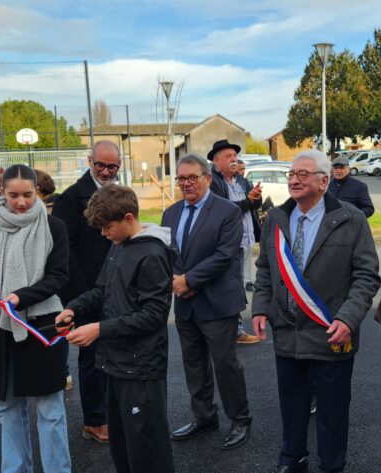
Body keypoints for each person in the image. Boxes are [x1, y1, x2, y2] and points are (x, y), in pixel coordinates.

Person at [251, 149, 381, 473]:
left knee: (332, 412)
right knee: (292, 406)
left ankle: (331, 466)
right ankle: (292, 457)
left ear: (323, 181)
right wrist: (260, 307)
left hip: (331, 334)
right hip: (287, 333)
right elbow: (265, 268)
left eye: (302, 174)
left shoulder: (351, 219)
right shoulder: (276, 218)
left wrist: (348, 318)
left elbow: (367, 276)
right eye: (291, 174)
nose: (294, 180)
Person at [55, 185, 176, 473]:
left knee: (147, 451)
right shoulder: (119, 245)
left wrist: (99, 329)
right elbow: (102, 290)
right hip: (115, 364)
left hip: (142, 368)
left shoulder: (152, 254)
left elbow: (153, 316)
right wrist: (74, 308)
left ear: (129, 218)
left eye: (107, 227)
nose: (103, 233)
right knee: (122, 448)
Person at [0, 164, 71, 473]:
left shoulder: (54, 227)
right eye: (13, 195)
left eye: (28, 194)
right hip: (1, 327)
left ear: (37, 191)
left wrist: (20, 297)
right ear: (1, 191)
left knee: (50, 408)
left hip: (42, 325)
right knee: (7, 407)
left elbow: (58, 276)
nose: (21, 202)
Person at [164, 153, 253, 451]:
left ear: (206, 178)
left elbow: (224, 256)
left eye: (192, 177)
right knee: (194, 365)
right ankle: (203, 417)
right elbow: (169, 253)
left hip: (217, 303)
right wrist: (177, 279)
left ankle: (240, 419)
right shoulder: (171, 213)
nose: (186, 183)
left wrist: (189, 281)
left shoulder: (228, 211)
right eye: (181, 178)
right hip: (186, 304)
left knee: (225, 365)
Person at [52, 140, 123, 443]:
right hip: (88, 292)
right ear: (90, 161)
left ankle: (110, 413)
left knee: (114, 354)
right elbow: (64, 252)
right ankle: (94, 420)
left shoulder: (118, 194)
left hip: (116, 289)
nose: (106, 171)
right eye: (100, 165)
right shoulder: (70, 198)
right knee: (93, 358)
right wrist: (84, 297)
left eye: (112, 166)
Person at [207, 139, 263, 344]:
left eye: (235, 156)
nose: (234, 159)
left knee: (236, 286)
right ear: (216, 161)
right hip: (227, 243)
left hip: (244, 238)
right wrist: (248, 201)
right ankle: (234, 331)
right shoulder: (213, 181)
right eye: (228, 156)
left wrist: (256, 197)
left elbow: (253, 205)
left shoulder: (240, 179)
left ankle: (232, 330)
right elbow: (225, 211)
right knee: (231, 287)